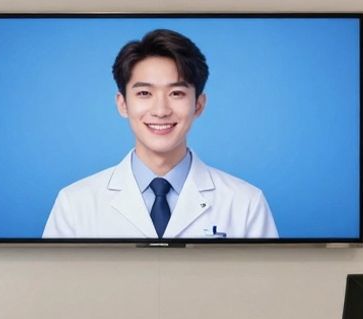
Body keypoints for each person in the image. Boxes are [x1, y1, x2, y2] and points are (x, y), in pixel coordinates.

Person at [42, 29, 278, 239]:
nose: (161, 110)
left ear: (199, 105)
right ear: (122, 104)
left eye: (176, 93)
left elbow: (267, 286)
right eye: (144, 93)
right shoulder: (74, 204)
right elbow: (54, 285)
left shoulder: (246, 203)